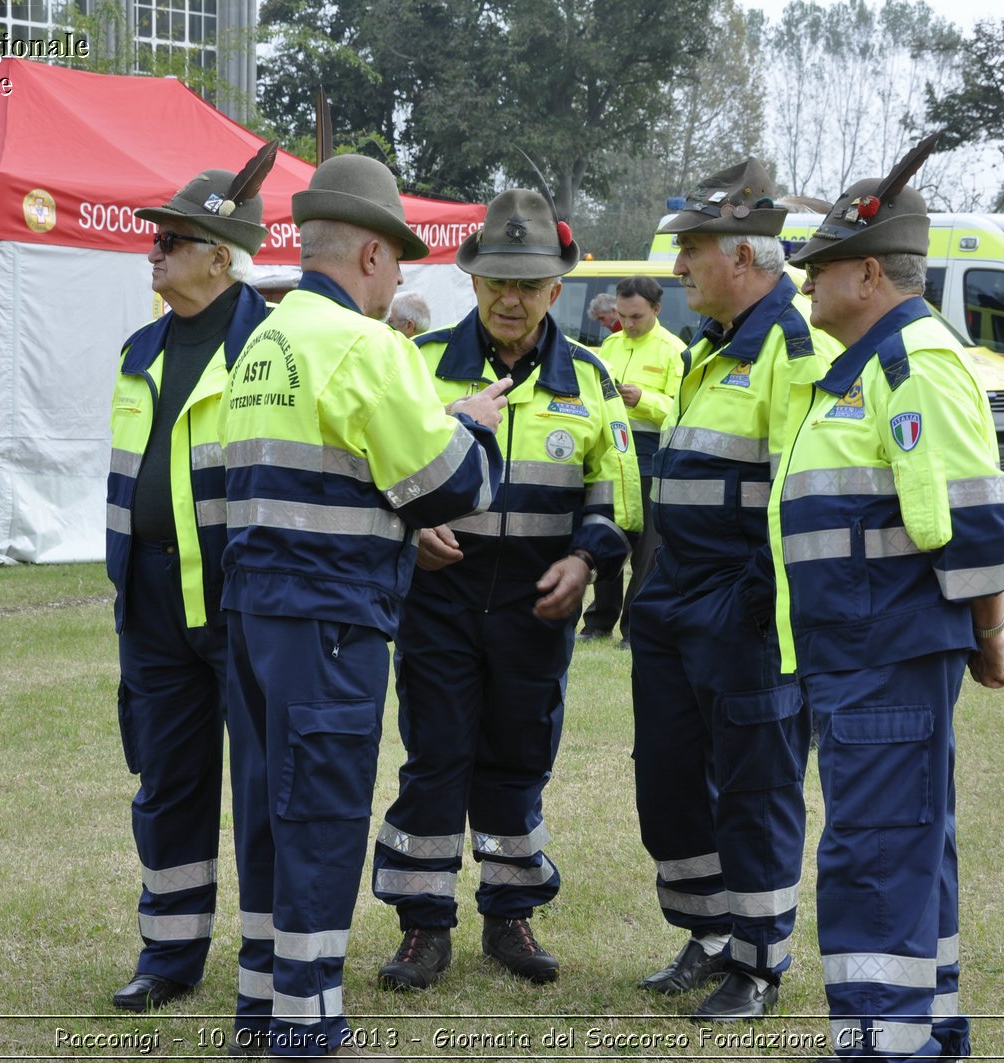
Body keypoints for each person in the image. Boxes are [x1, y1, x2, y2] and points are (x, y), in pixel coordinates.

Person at [219, 153, 512, 1060]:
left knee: (271, 811)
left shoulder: (266, 338)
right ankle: (307, 1029)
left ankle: (264, 1008)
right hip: (331, 621)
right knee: (323, 819)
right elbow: (452, 486)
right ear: (376, 257)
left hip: (256, 615)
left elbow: (331, 461)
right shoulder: (367, 343)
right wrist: (473, 427)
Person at [780, 138, 1004, 1060]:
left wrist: (988, 632)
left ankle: (884, 1042)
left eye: (819, 272)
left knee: (877, 855)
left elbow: (973, 522)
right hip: (865, 653)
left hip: (882, 654)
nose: (808, 288)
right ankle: (919, 1032)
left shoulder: (911, 367)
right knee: (905, 846)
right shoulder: (871, 366)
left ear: (865, 272)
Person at [369, 188, 641, 991]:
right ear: (473, 282)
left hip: (536, 606)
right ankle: (422, 927)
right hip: (439, 604)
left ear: (557, 289)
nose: (511, 299)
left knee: (519, 760)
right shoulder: (415, 366)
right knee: (436, 759)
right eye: (497, 283)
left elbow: (614, 490)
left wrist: (586, 561)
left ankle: (510, 913)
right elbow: (378, 473)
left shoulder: (589, 377)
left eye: (528, 285)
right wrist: (414, 527)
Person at [629, 159, 838, 1023]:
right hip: (671, 609)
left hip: (742, 620)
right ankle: (707, 936)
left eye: (693, 252)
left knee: (755, 790)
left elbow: (798, 502)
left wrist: (747, 601)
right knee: (670, 784)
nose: (678, 268)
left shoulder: (797, 353)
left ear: (746, 259)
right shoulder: (708, 352)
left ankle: (757, 963)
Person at [104, 149, 277, 1013]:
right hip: (151, 603)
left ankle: (274, 955)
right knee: (167, 781)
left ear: (222, 253)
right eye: (154, 239)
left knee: (263, 786)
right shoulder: (139, 348)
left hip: (245, 602)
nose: (153, 252)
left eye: (172, 240)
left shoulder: (273, 346)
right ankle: (167, 955)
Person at [579, 274, 686, 645]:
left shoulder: (675, 351)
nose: (628, 324)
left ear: (657, 310)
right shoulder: (610, 345)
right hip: (613, 450)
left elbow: (682, 409)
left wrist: (644, 399)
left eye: (636, 316)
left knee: (646, 549)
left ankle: (634, 628)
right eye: (623, 315)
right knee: (608, 532)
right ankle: (596, 622)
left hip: (651, 451)